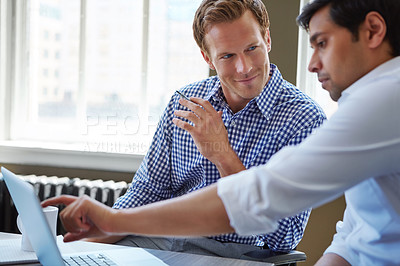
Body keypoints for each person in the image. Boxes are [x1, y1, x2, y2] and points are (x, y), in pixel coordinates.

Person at [58, 0, 325, 259]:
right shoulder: (184, 101)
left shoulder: (303, 119)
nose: (244, 67)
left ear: (267, 39)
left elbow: (285, 238)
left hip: (236, 255)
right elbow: (148, 192)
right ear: (207, 57)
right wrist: (76, 248)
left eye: (252, 48)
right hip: (161, 244)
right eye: (228, 56)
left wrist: (223, 155)